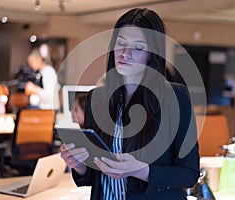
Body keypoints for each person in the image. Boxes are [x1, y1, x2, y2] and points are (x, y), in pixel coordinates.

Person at [61, 8, 199, 200]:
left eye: (138, 48)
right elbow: (96, 176)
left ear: (152, 53)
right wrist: (80, 165)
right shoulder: (96, 98)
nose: (125, 53)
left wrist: (142, 171)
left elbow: (189, 173)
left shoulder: (174, 97)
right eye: (121, 44)